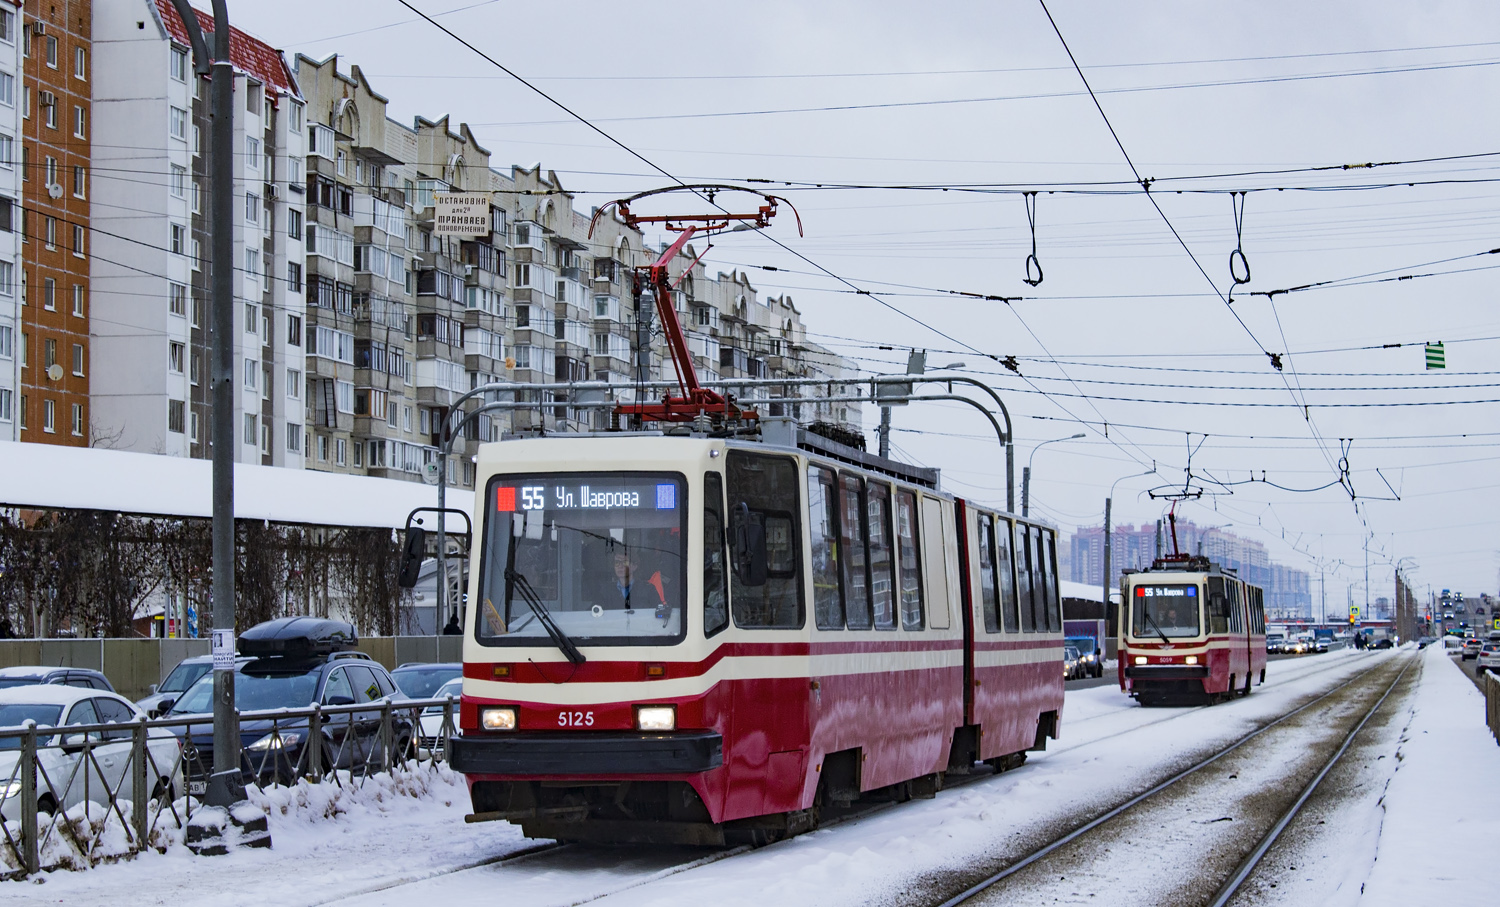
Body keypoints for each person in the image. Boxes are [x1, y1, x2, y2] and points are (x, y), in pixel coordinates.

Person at [612, 549, 668, 618]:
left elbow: (658, 616)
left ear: (635, 566)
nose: (620, 566)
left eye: (625, 563)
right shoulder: (606, 591)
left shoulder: (648, 589)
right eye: (617, 562)